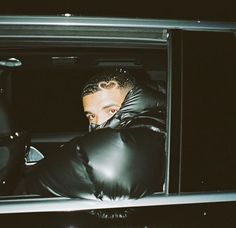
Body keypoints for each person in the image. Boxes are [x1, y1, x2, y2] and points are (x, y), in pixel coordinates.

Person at [16, 69, 166, 202]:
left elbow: (111, 167)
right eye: (91, 116)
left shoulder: (151, 124)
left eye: (111, 111)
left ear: (132, 102)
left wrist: (24, 183)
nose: (98, 123)